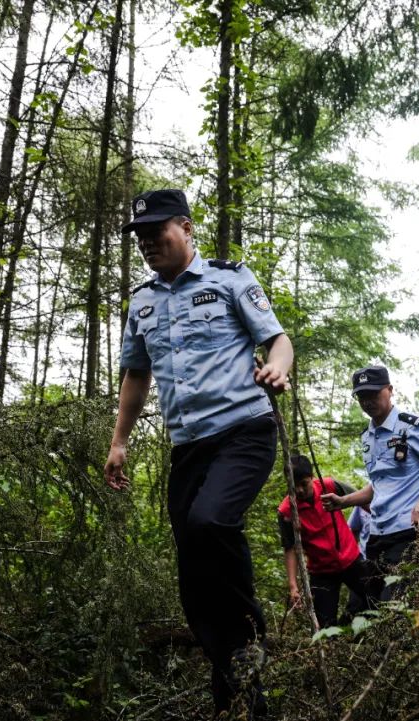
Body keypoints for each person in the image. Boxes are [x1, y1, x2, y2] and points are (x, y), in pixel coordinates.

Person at [104, 189, 293, 718]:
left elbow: (277, 340)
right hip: (188, 448)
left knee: (211, 522)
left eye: (156, 232)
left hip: (245, 431)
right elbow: (136, 375)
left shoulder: (230, 280)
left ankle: (250, 633)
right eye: (139, 236)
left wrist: (278, 367)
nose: (147, 243)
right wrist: (119, 441)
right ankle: (234, 689)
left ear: (185, 228)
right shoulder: (141, 302)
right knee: (193, 572)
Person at [322, 365, 419, 602]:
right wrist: (344, 501)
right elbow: (379, 485)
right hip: (377, 534)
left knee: (395, 606)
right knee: (369, 606)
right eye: (362, 396)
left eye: (373, 393)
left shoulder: (413, 426)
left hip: (411, 533)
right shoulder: (367, 437)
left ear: (390, 390)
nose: (368, 401)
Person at [277, 455, 376, 628]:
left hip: (351, 559)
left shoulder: (328, 485)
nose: (299, 490)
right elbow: (290, 548)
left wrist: (380, 520)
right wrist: (293, 586)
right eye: (294, 485)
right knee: (325, 625)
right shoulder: (287, 511)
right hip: (321, 572)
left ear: (312, 477)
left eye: (304, 483)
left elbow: (361, 499)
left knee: (376, 598)